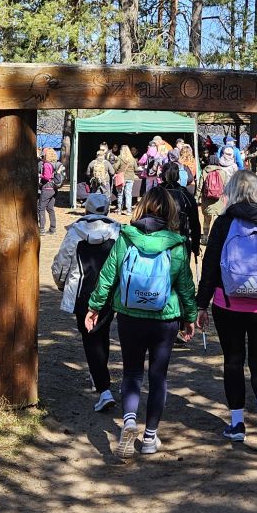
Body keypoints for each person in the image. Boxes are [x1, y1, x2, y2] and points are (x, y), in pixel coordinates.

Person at [86, 188, 198, 458]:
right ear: (171, 211)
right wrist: (190, 317)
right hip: (165, 319)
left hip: (130, 316)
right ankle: (149, 438)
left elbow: (108, 275)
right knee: (158, 376)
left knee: (132, 372)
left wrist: (95, 306)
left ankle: (128, 422)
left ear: (142, 207)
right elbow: (185, 285)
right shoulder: (176, 243)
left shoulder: (126, 237)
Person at [196, 170, 257, 449]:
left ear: (232, 192)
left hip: (228, 304)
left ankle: (237, 424)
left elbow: (210, 266)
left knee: (233, 361)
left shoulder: (224, 222)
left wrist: (201, 305)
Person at [51, 192, 122, 412]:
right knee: (102, 333)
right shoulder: (117, 231)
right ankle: (99, 376)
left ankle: (103, 389)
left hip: (82, 292)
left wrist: (61, 284)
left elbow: (62, 263)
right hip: (108, 292)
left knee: (90, 338)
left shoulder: (75, 231)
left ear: (86, 210)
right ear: (107, 210)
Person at [160, 162, 202, 261]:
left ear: (162, 175)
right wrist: (195, 246)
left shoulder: (153, 194)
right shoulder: (186, 195)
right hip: (181, 244)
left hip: (158, 244)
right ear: (178, 176)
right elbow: (195, 223)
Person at [198, 153, 227, 237]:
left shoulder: (204, 171)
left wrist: (197, 197)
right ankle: (216, 237)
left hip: (206, 200)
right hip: (219, 200)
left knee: (206, 219)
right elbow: (226, 187)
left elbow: (200, 187)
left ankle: (205, 237)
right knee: (217, 220)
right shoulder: (222, 172)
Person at [38, 147, 62, 234]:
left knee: (41, 208)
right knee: (50, 208)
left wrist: (39, 175)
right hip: (54, 189)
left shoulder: (46, 165)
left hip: (47, 188)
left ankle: (41, 229)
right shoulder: (55, 164)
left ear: (46, 155)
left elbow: (47, 177)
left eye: (43, 154)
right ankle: (53, 229)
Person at [114, 145, 137, 214]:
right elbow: (136, 168)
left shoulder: (120, 158)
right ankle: (129, 211)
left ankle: (119, 210)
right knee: (128, 194)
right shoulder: (132, 159)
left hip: (121, 178)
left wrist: (118, 172)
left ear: (121, 150)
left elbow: (115, 167)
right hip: (130, 178)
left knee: (120, 194)